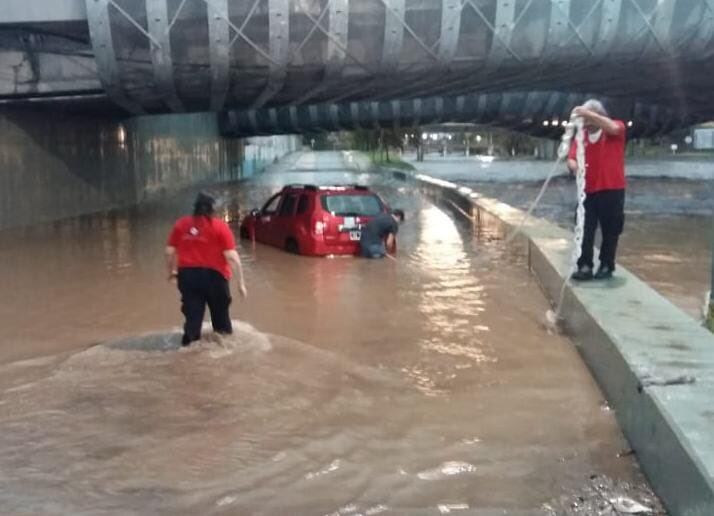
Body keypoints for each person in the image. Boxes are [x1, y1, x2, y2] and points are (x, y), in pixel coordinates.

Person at [165, 192, 247, 346]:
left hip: (188, 277)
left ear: (194, 209)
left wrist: (172, 273)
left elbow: (169, 252)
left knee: (193, 320)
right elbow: (232, 257)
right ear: (212, 210)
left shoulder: (181, 225)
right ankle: (226, 352)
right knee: (221, 320)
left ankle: (188, 352)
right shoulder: (220, 227)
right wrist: (241, 283)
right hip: (216, 278)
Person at [567, 99, 627, 281]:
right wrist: (574, 167)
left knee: (611, 230)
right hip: (588, 190)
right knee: (584, 227)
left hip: (612, 189)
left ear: (596, 115)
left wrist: (588, 114)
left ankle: (607, 265)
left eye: (587, 118)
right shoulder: (581, 137)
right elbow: (571, 158)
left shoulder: (615, 128)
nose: (584, 122)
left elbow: (615, 129)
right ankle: (585, 265)